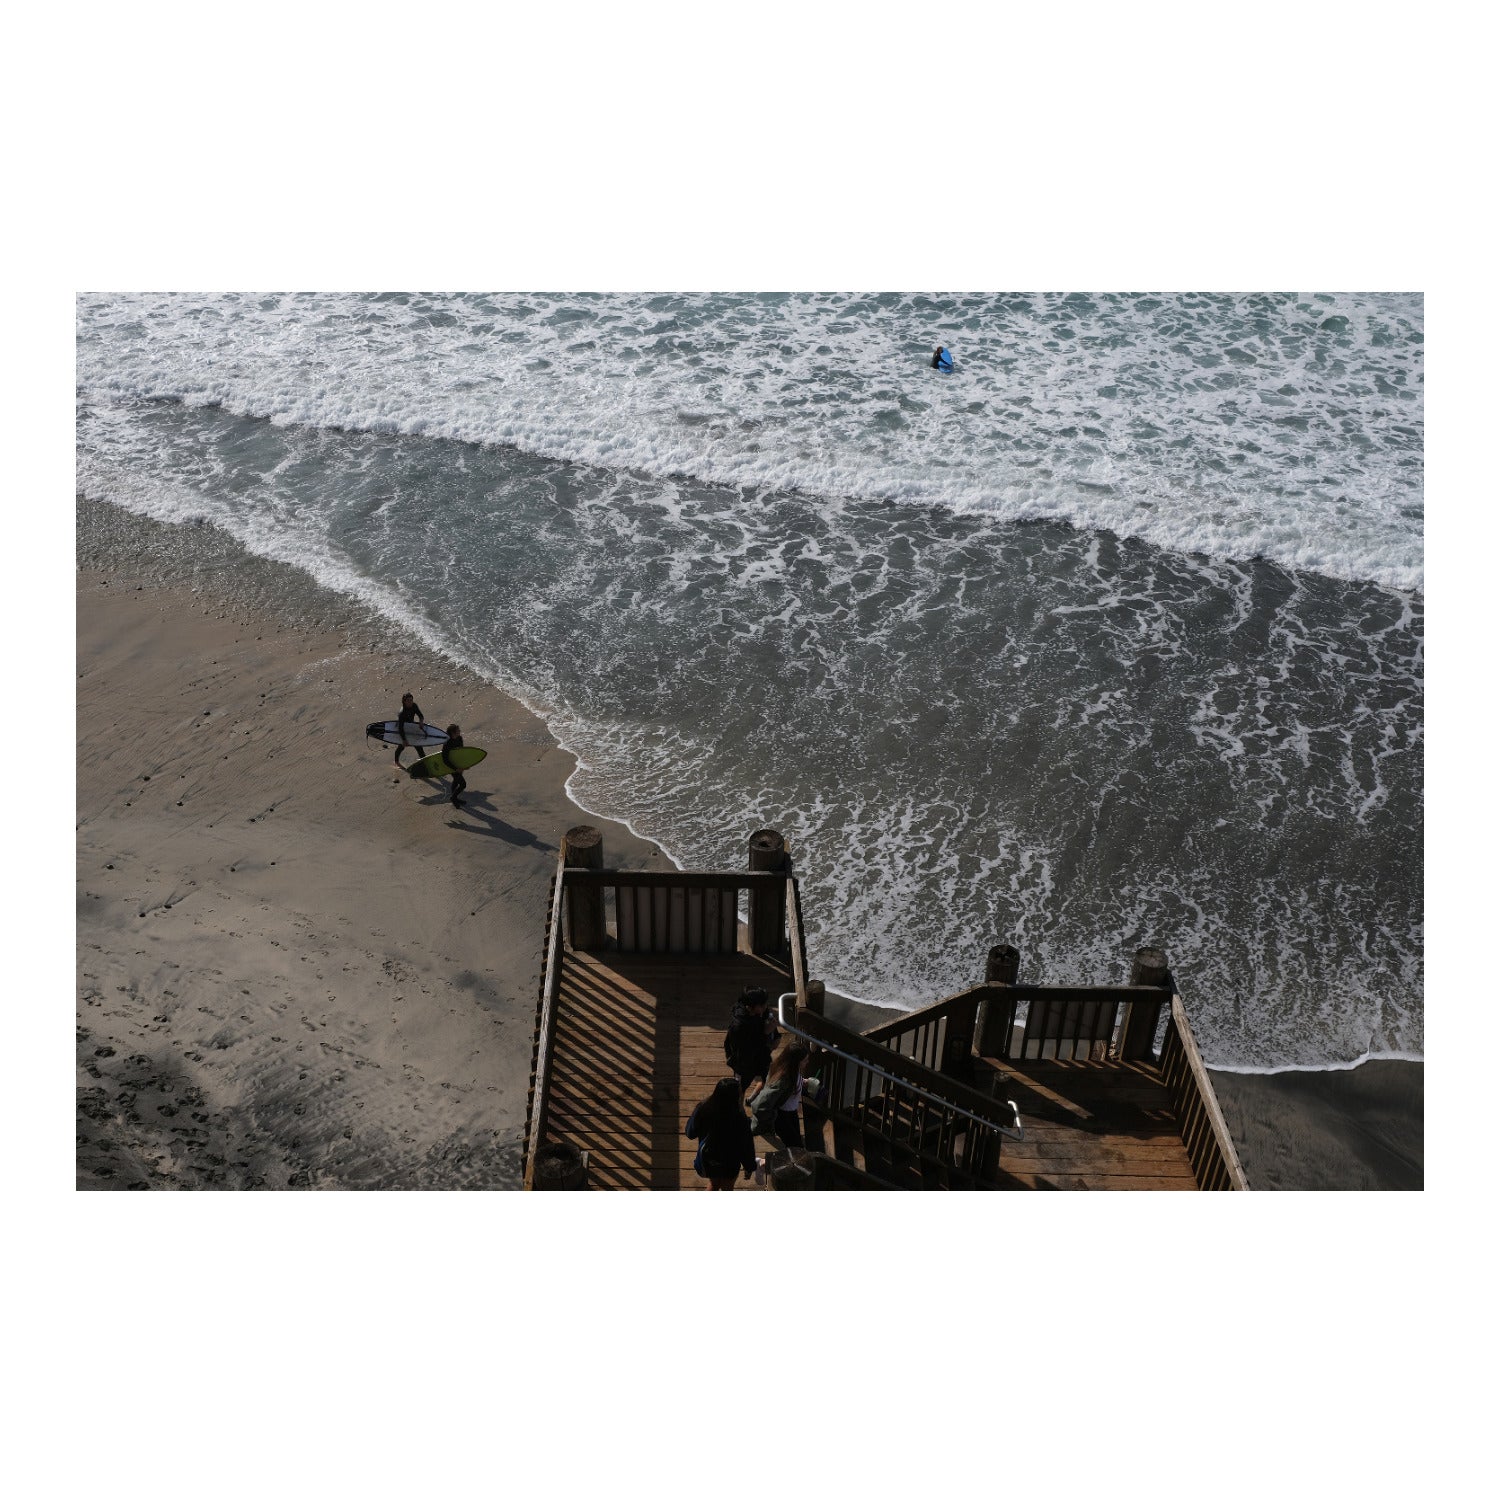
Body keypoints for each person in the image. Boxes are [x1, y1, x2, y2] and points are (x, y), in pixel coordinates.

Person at [684, 1077, 757, 1190]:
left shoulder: (703, 1108)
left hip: (709, 1159)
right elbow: (746, 1147)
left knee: (713, 1185)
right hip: (730, 1163)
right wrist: (749, 1167)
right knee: (727, 1188)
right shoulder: (740, 1119)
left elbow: (690, 1133)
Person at [749, 1041, 819, 1153]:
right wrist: (769, 1120)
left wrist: (803, 1082)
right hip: (782, 1117)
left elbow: (793, 1083)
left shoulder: (791, 1069)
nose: (808, 1062)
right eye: (805, 1060)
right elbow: (760, 1105)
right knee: (796, 1147)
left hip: (791, 1112)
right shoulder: (783, 1080)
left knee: (797, 1143)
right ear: (796, 1062)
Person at [723, 985, 777, 1097]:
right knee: (739, 1090)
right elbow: (744, 1051)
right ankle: (739, 1106)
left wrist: (775, 1035)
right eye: (762, 1005)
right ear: (752, 1006)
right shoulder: (738, 1026)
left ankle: (752, 1098)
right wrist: (765, 1033)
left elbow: (765, 1023)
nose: (766, 1006)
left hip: (761, 1057)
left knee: (768, 1079)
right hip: (744, 1064)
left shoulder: (760, 1011)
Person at [393, 692, 426, 768]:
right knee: (401, 746)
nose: (410, 702)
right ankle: (396, 761)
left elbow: (420, 715)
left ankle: (424, 762)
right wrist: (404, 740)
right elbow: (400, 728)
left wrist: (421, 721)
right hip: (403, 729)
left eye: (411, 700)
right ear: (404, 701)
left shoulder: (414, 706)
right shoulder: (402, 713)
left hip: (411, 727)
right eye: (408, 700)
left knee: (419, 746)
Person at [441, 723, 467, 807]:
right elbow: (445, 759)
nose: (460, 731)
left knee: (456, 781)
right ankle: (453, 797)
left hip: (458, 764)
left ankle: (455, 798)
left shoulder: (459, 738)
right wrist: (455, 769)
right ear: (452, 733)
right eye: (458, 730)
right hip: (450, 765)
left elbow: (461, 752)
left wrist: (465, 764)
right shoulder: (447, 743)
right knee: (463, 784)